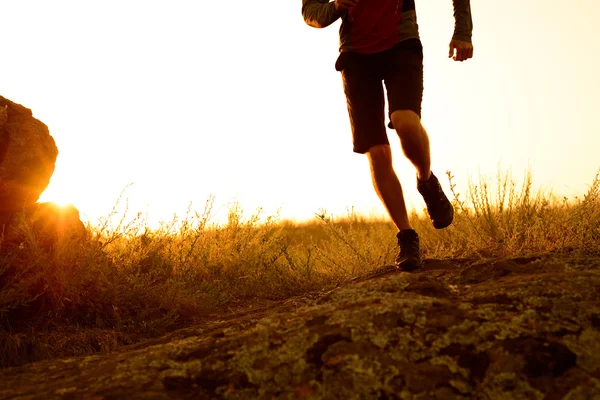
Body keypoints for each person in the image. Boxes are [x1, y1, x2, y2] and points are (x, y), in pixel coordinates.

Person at [301, 0, 474, 271]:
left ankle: (426, 181)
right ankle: (406, 236)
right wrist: (336, 5)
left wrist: (463, 32)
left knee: (404, 122)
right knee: (377, 150)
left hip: (401, 46)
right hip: (356, 57)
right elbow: (312, 13)